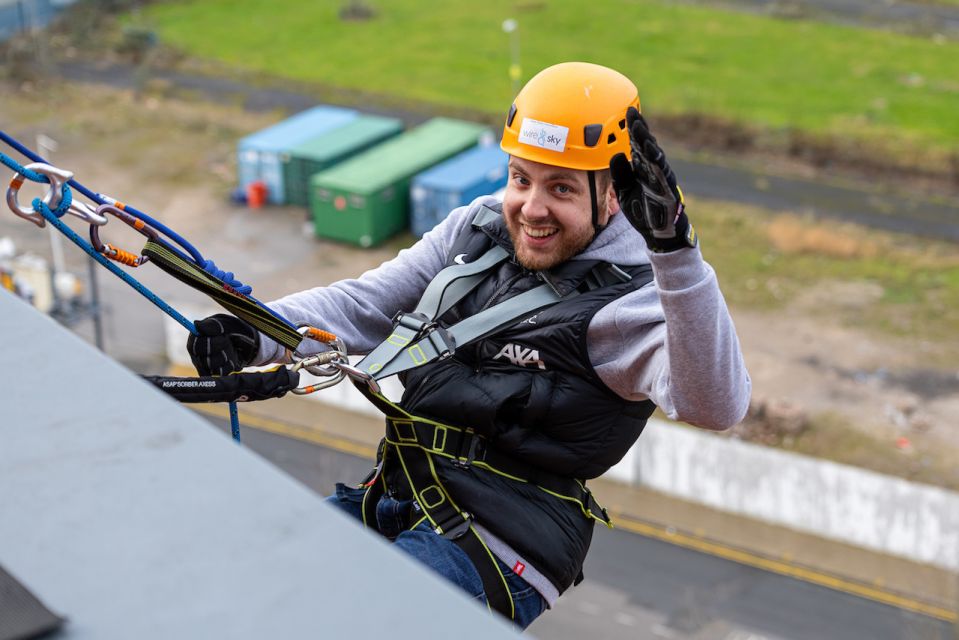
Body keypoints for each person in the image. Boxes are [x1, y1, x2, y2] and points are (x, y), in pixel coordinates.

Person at [187, 61, 751, 629]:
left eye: (561, 188)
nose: (531, 208)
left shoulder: (635, 302)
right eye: (521, 178)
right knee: (260, 587)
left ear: (613, 198)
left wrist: (677, 256)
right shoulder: (476, 231)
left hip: (504, 542)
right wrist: (256, 333)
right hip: (402, 491)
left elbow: (715, 406)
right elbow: (367, 306)